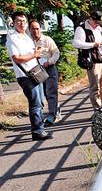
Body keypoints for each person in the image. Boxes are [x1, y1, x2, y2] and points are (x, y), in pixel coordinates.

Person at [5, 11, 50, 141]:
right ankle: (37, 131)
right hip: (25, 75)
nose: (22, 23)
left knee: (40, 102)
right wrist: (34, 55)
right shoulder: (12, 38)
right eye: (19, 21)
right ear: (13, 23)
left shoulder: (27, 36)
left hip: (35, 72)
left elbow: (31, 55)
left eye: (24, 21)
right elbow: (17, 58)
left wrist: (37, 53)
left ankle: (40, 129)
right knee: (35, 103)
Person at [72, 10, 102, 110]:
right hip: (92, 60)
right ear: (91, 19)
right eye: (96, 22)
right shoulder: (81, 29)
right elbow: (76, 43)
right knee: (95, 86)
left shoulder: (99, 28)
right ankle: (98, 109)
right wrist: (93, 44)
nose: (97, 24)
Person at [29, 19, 61, 125]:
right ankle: (54, 111)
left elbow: (56, 53)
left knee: (51, 92)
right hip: (36, 70)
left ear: (40, 29)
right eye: (33, 29)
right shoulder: (28, 42)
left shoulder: (47, 40)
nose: (35, 31)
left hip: (49, 68)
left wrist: (50, 61)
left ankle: (52, 115)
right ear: (29, 29)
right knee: (42, 93)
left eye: (37, 28)